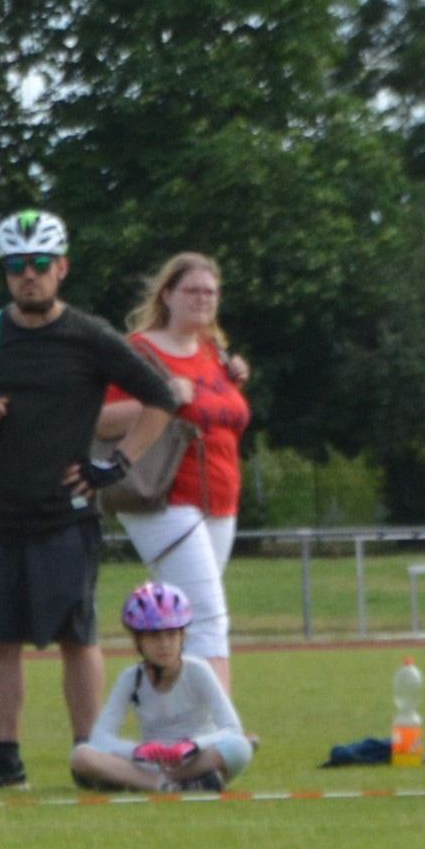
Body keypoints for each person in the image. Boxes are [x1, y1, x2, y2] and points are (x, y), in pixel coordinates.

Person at [0, 215, 181, 791]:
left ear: (62, 268)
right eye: (16, 266)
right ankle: (5, 758)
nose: (28, 277)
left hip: (64, 514)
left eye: (40, 265)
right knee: (0, 639)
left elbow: (161, 397)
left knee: (77, 635)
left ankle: (87, 754)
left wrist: (115, 465)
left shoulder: (88, 335)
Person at [118, 251, 254, 663]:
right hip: (163, 496)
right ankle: (221, 726)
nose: (203, 299)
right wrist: (164, 397)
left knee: (183, 618)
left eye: (211, 291)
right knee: (209, 617)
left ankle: (175, 716)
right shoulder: (138, 352)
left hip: (220, 499)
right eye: (192, 290)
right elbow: (99, 420)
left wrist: (236, 381)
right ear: (167, 295)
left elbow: (222, 420)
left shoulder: (215, 352)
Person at [66, 580, 248, 793]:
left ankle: (153, 781)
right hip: (150, 763)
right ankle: (165, 786)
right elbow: (100, 737)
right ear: (138, 641)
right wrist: (139, 751)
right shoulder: (131, 678)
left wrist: (192, 746)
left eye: (171, 634)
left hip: (196, 759)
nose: (164, 644)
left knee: (240, 748)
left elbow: (232, 729)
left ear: (182, 636)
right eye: (154, 636)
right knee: (81, 755)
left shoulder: (198, 670)